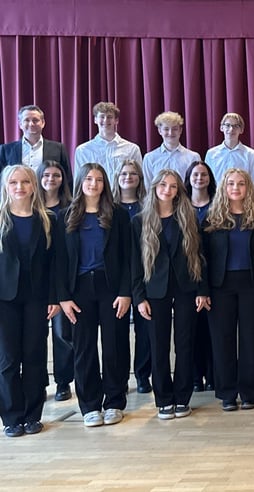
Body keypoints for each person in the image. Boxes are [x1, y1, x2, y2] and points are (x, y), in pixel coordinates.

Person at [54, 163, 132, 427]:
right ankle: (89, 405)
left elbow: (127, 257)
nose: (93, 184)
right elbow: (59, 260)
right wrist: (63, 296)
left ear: (105, 184)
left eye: (99, 179)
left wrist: (125, 292)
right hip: (79, 291)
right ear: (80, 182)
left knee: (114, 346)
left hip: (110, 288)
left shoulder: (118, 215)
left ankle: (114, 402)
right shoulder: (65, 216)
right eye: (88, 178)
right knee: (84, 349)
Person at [131, 169, 209, 419]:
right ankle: (164, 398)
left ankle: (183, 397)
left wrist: (202, 289)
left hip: (186, 288)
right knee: (159, 345)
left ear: (178, 191)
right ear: (154, 187)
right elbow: (134, 264)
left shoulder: (187, 218)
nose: (167, 190)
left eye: (173, 186)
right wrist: (139, 297)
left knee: (185, 344)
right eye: (163, 185)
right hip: (154, 291)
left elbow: (200, 256)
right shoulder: (140, 221)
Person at [202, 168, 254, 412]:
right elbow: (202, 258)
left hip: (252, 284)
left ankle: (250, 391)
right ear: (224, 187)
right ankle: (228, 393)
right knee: (223, 340)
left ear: (248, 188)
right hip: (220, 286)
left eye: (241, 183)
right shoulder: (212, 218)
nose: (236, 188)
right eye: (231, 183)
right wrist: (204, 290)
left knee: (251, 339)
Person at [0, 165, 58, 438]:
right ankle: (12, 417)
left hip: (37, 297)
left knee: (34, 356)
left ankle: (33, 415)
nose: (20, 187)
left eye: (25, 182)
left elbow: (55, 264)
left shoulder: (47, 220)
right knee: (9, 359)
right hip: (5, 298)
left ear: (34, 186)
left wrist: (55, 298)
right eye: (14, 182)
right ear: (6, 187)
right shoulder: (0, 219)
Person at [35, 160, 74, 402]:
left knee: (62, 334)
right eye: (47, 175)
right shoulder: (31, 207)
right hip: (36, 282)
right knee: (36, 337)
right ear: (39, 178)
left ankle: (63, 381)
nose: (51, 179)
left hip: (61, 280)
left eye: (56, 175)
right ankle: (38, 381)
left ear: (63, 179)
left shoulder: (69, 208)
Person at [113, 159, 151, 392]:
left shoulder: (147, 207)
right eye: (124, 173)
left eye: (133, 174)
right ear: (117, 178)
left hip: (143, 275)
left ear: (140, 179)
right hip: (116, 277)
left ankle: (142, 375)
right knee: (117, 333)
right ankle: (119, 378)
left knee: (144, 330)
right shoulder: (109, 206)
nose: (129, 177)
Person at [183, 161, 216, 393]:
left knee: (213, 330)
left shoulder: (217, 205)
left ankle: (214, 375)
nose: (199, 178)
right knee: (191, 331)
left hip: (214, 276)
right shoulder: (181, 206)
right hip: (187, 276)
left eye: (204, 174)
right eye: (195, 174)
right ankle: (195, 377)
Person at [73, 102, 143, 185]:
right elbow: (78, 181)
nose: (106, 120)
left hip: (122, 197)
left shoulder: (132, 149)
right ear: (95, 119)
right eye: (102, 117)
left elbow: (139, 179)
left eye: (110, 117)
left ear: (116, 120)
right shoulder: (82, 150)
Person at [0, 105, 71, 180]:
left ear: (43, 123)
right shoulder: (6, 150)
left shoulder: (59, 149)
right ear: (20, 124)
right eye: (27, 120)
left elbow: (67, 178)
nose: (31, 124)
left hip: (48, 192)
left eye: (35, 120)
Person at [141, 111, 201, 184]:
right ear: (160, 131)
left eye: (175, 129)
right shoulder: (149, 158)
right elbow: (148, 187)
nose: (170, 133)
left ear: (180, 130)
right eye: (166, 129)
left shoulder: (193, 157)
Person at [205, 113, 254, 181]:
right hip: (217, 191)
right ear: (221, 128)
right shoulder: (211, 153)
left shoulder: (250, 154)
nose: (231, 129)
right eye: (227, 125)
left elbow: (253, 179)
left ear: (241, 130)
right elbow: (207, 178)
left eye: (236, 126)